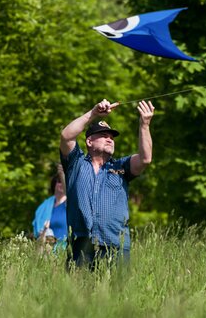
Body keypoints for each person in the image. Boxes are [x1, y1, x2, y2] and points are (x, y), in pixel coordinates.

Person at [60, 98, 155, 269]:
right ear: (89, 141)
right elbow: (66, 136)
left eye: (111, 137)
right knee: (78, 287)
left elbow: (145, 159)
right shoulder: (76, 163)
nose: (110, 139)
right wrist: (93, 113)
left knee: (116, 288)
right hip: (80, 245)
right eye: (104, 136)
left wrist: (144, 125)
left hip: (115, 246)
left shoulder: (121, 167)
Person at [31, 166, 68, 255]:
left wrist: (62, 174)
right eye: (59, 181)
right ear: (54, 184)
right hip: (47, 251)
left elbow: (69, 191)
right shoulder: (45, 205)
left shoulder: (69, 203)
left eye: (63, 181)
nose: (61, 184)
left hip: (65, 250)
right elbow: (37, 230)